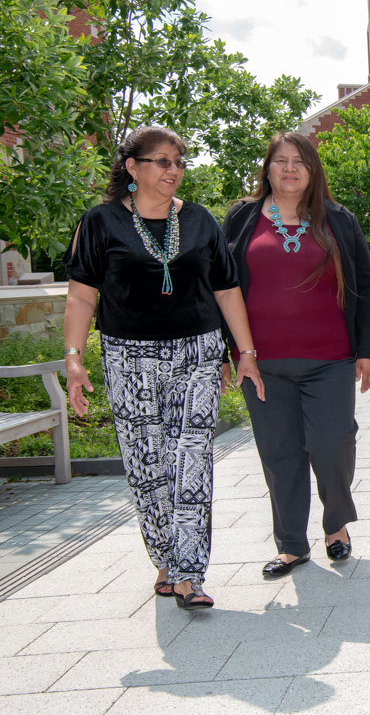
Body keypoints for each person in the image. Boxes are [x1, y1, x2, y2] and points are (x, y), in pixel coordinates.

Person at [63, 125, 265, 610]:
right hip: (127, 355)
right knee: (145, 464)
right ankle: (166, 560)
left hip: (195, 351)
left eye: (179, 161)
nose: (173, 170)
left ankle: (190, 574)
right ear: (132, 168)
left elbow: (226, 288)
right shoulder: (101, 222)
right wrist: (73, 359)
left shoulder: (199, 221)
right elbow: (81, 294)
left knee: (192, 458)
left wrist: (246, 353)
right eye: (162, 161)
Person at [222, 132, 370, 578]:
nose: (290, 169)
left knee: (333, 445)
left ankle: (336, 525)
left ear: (313, 171)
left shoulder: (337, 219)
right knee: (279, 453)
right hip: (262, 362)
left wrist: (368, 350)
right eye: (280, 160)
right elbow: (219, 285)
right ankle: (291, 544)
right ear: (267, 168)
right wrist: (226, 351)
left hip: (331, 360)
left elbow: (365, 284)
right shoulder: (241, 218)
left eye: (300, 162)